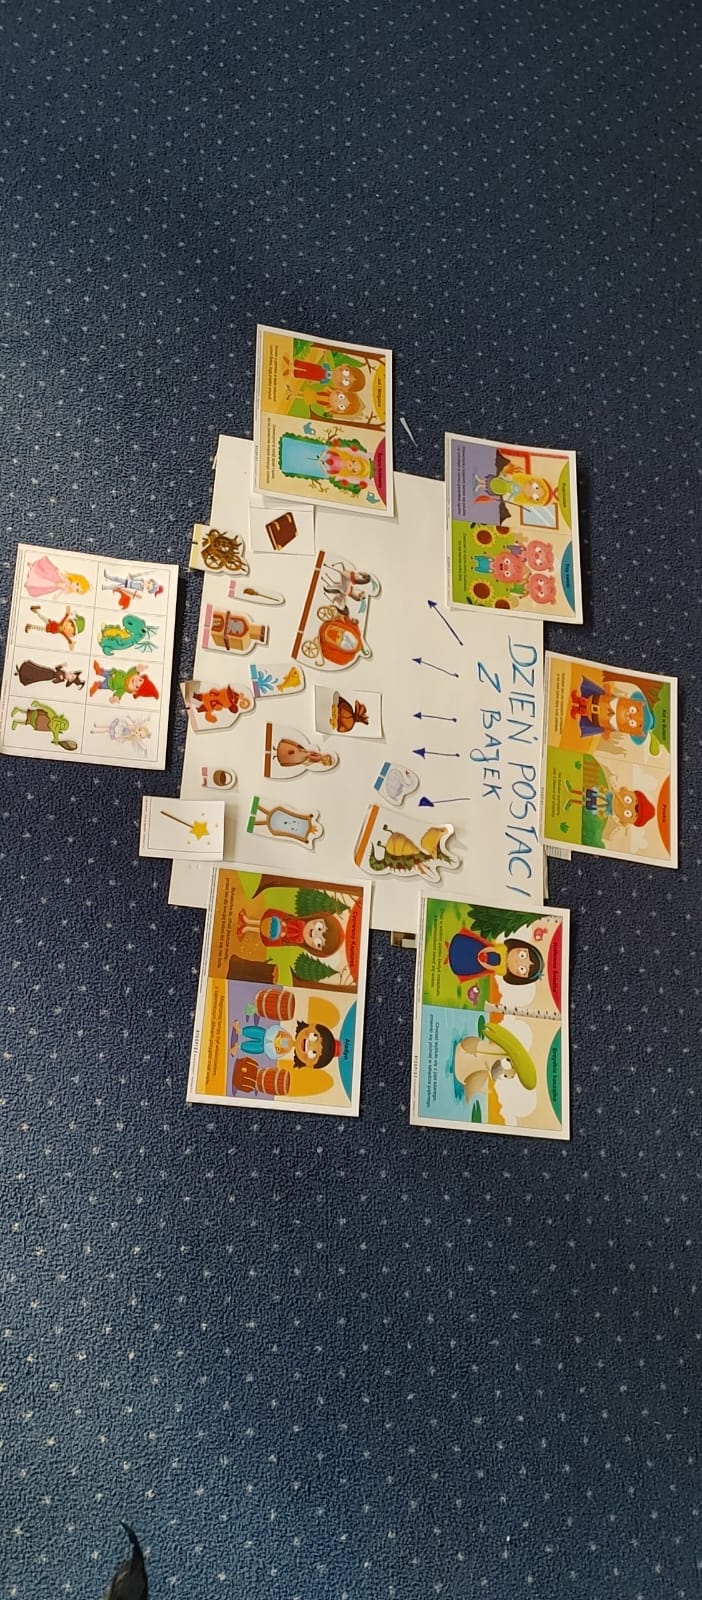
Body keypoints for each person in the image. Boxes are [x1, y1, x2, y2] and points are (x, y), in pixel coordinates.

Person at [446, 931, 543, 986]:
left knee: (466, 964)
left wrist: (484, 963)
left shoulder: (503, 970)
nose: (518, 961)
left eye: (522, 969)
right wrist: (484, 952)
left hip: (481, 964)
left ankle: (454, 962)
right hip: (481, 949)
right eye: (522, 955)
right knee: (467, 947)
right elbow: (492, 949)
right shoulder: (504, 949)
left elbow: (492, 968)